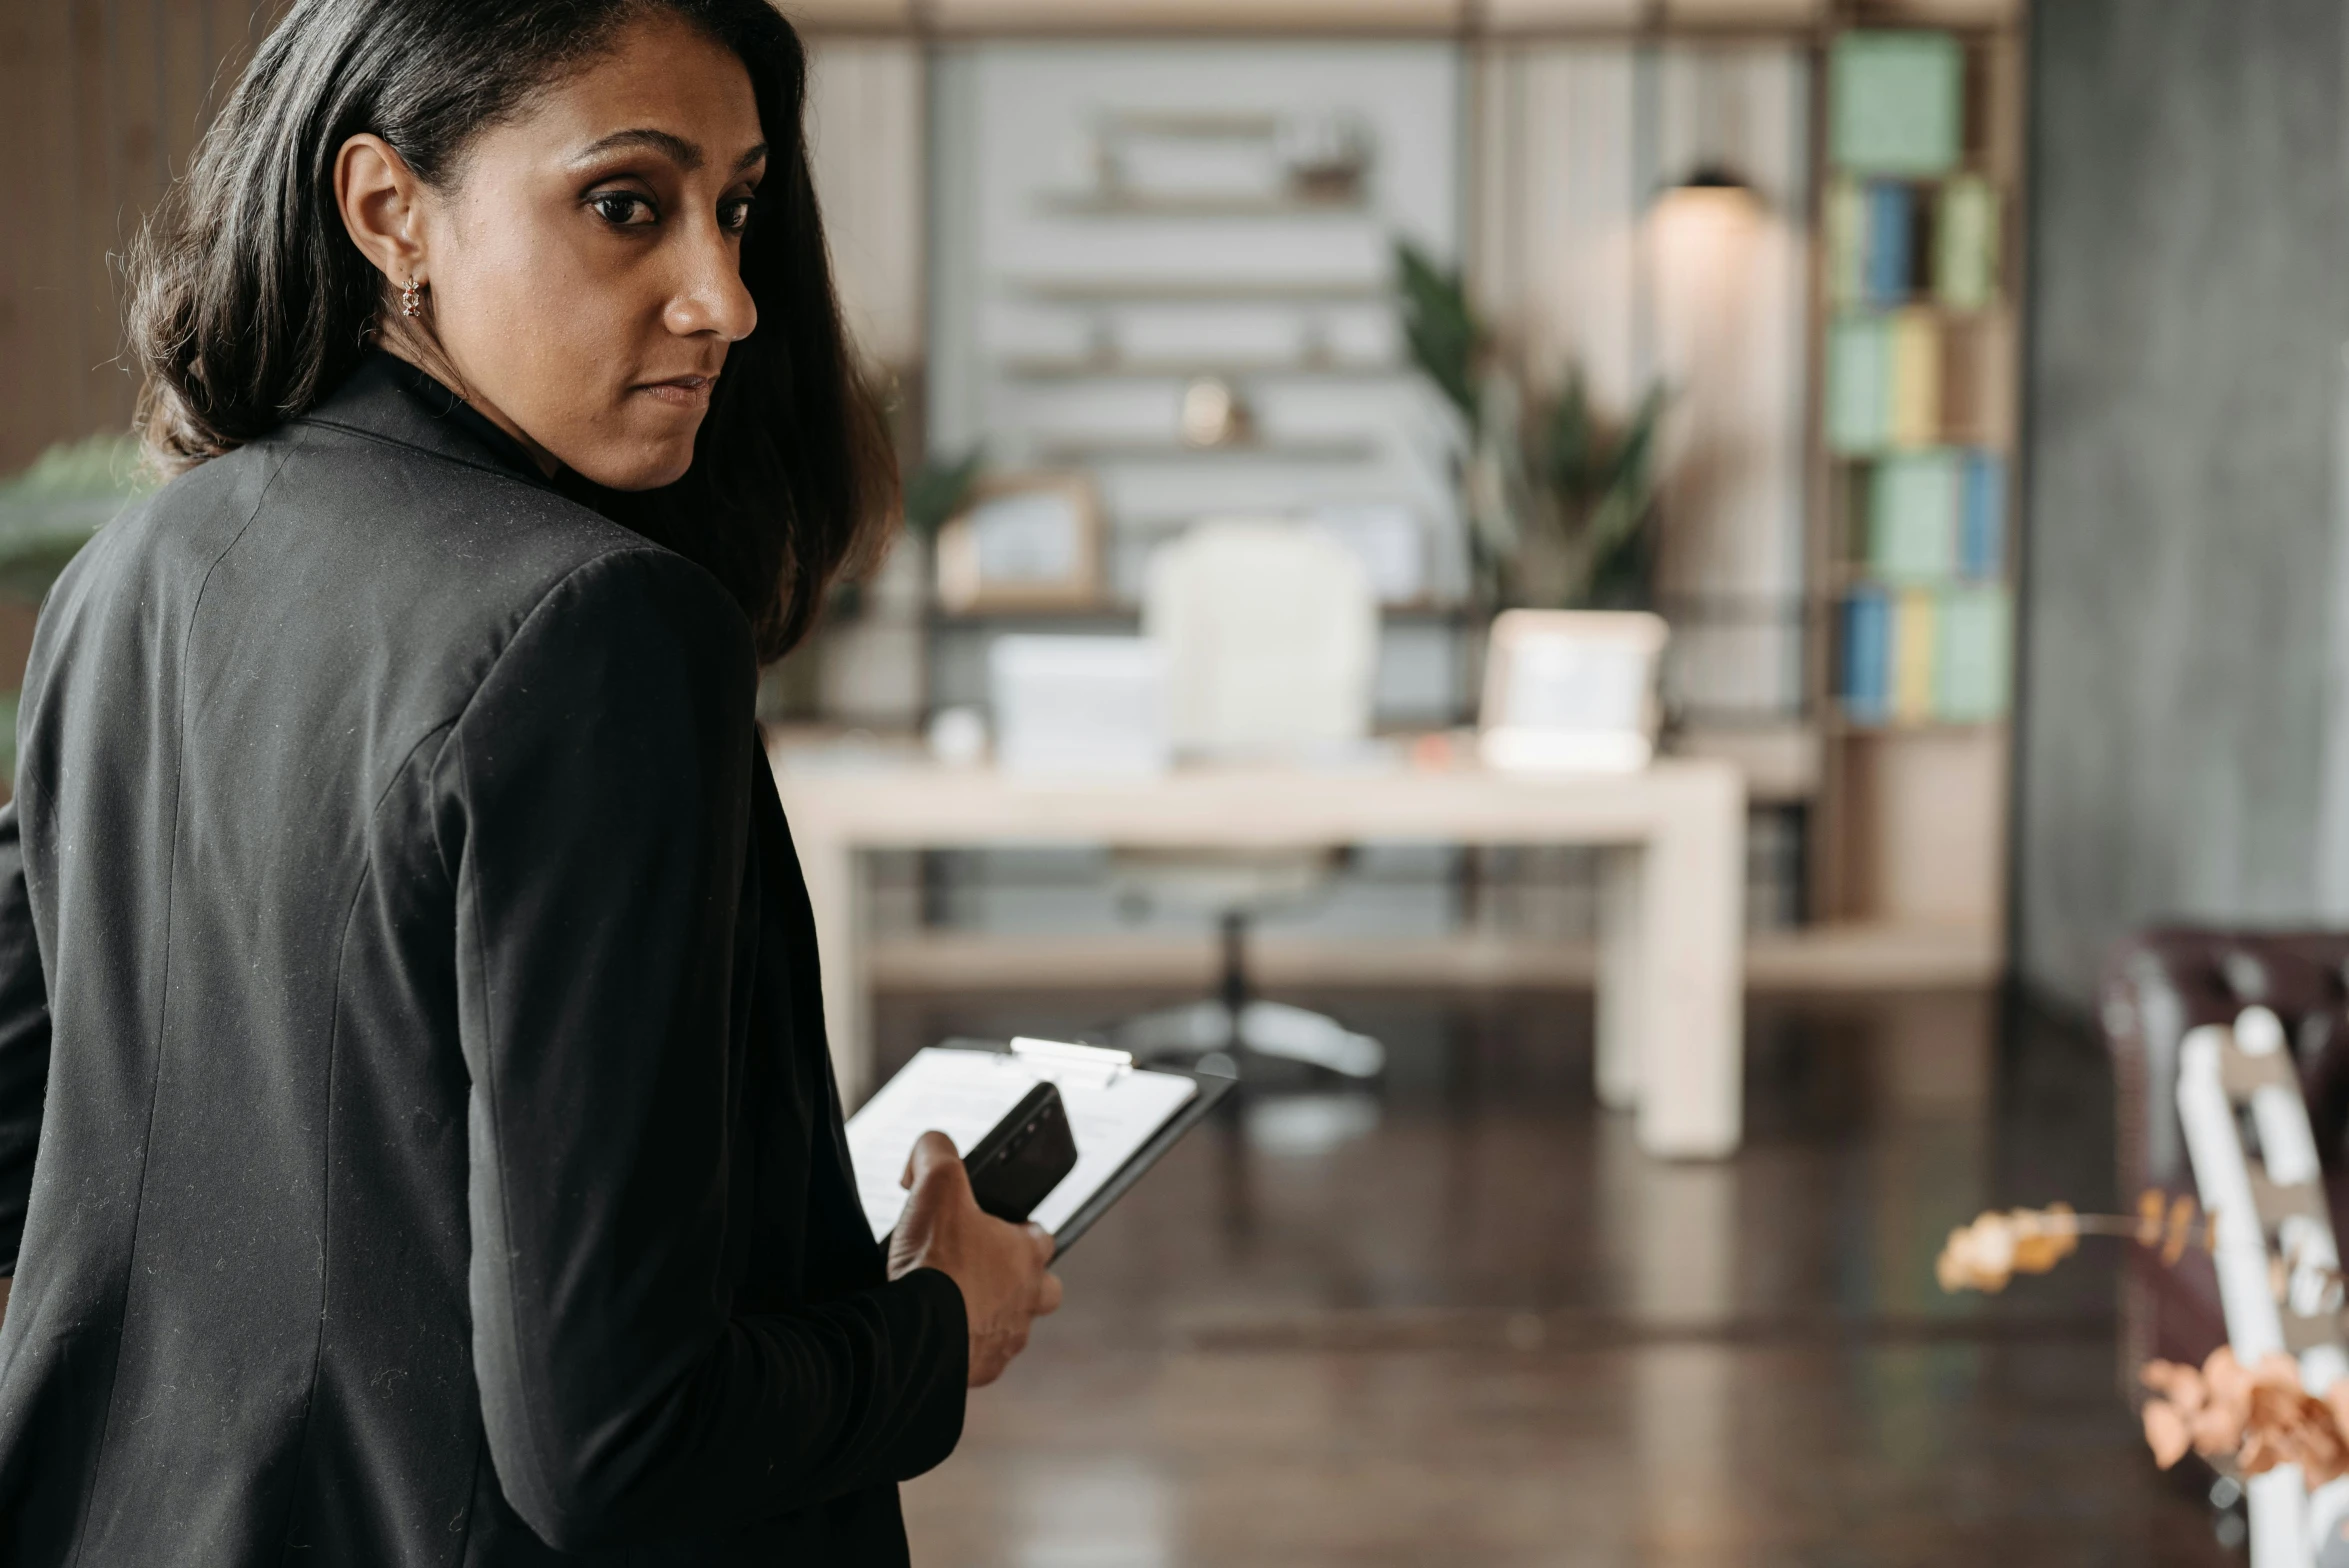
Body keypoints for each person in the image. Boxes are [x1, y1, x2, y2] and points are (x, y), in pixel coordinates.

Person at [0, 1, 1060, 1560]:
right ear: (387, 210)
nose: (726, 298)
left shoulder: (134, 566)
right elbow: (617, 1447)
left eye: (739, 209)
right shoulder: (598, 631)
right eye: (626, 204)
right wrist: (936, 1330)